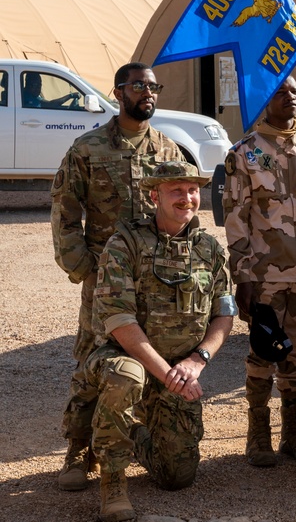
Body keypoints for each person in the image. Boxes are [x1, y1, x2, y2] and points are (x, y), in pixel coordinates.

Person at [50, 62, 184, 491]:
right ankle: (77, 451)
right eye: (139, 86)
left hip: (156, 280)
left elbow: (184, 211)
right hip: (105, 279)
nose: (148, 93)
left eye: (153, 86)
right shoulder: (87, 149)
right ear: (118, 91)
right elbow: (65, 213)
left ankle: (138, 437)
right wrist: (84, 268)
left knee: (148, 354)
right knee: (92, 358)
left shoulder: (167, 151)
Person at [85, 161, 235, 521]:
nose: (188, 198)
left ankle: (130, 431)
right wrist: (167, 372)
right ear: (155, 196)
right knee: (126, 378)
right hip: (126, 358)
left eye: (193, 190)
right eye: (177, 191)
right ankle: (113, 479)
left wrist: (197, 360)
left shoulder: (211, 250)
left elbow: (224, 314)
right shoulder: (126, 243)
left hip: (180, 369)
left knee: (176, 478)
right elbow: (119, 322)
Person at [223, 77, 296, 467]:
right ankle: (258, 435)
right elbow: (236, 218)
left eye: (294, 90)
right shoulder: (244, 153)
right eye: (279, 92)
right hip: (264, 274)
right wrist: (242, 275)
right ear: (263, 100)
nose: (290, 97)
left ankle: (294, 432)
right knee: (261, 353)